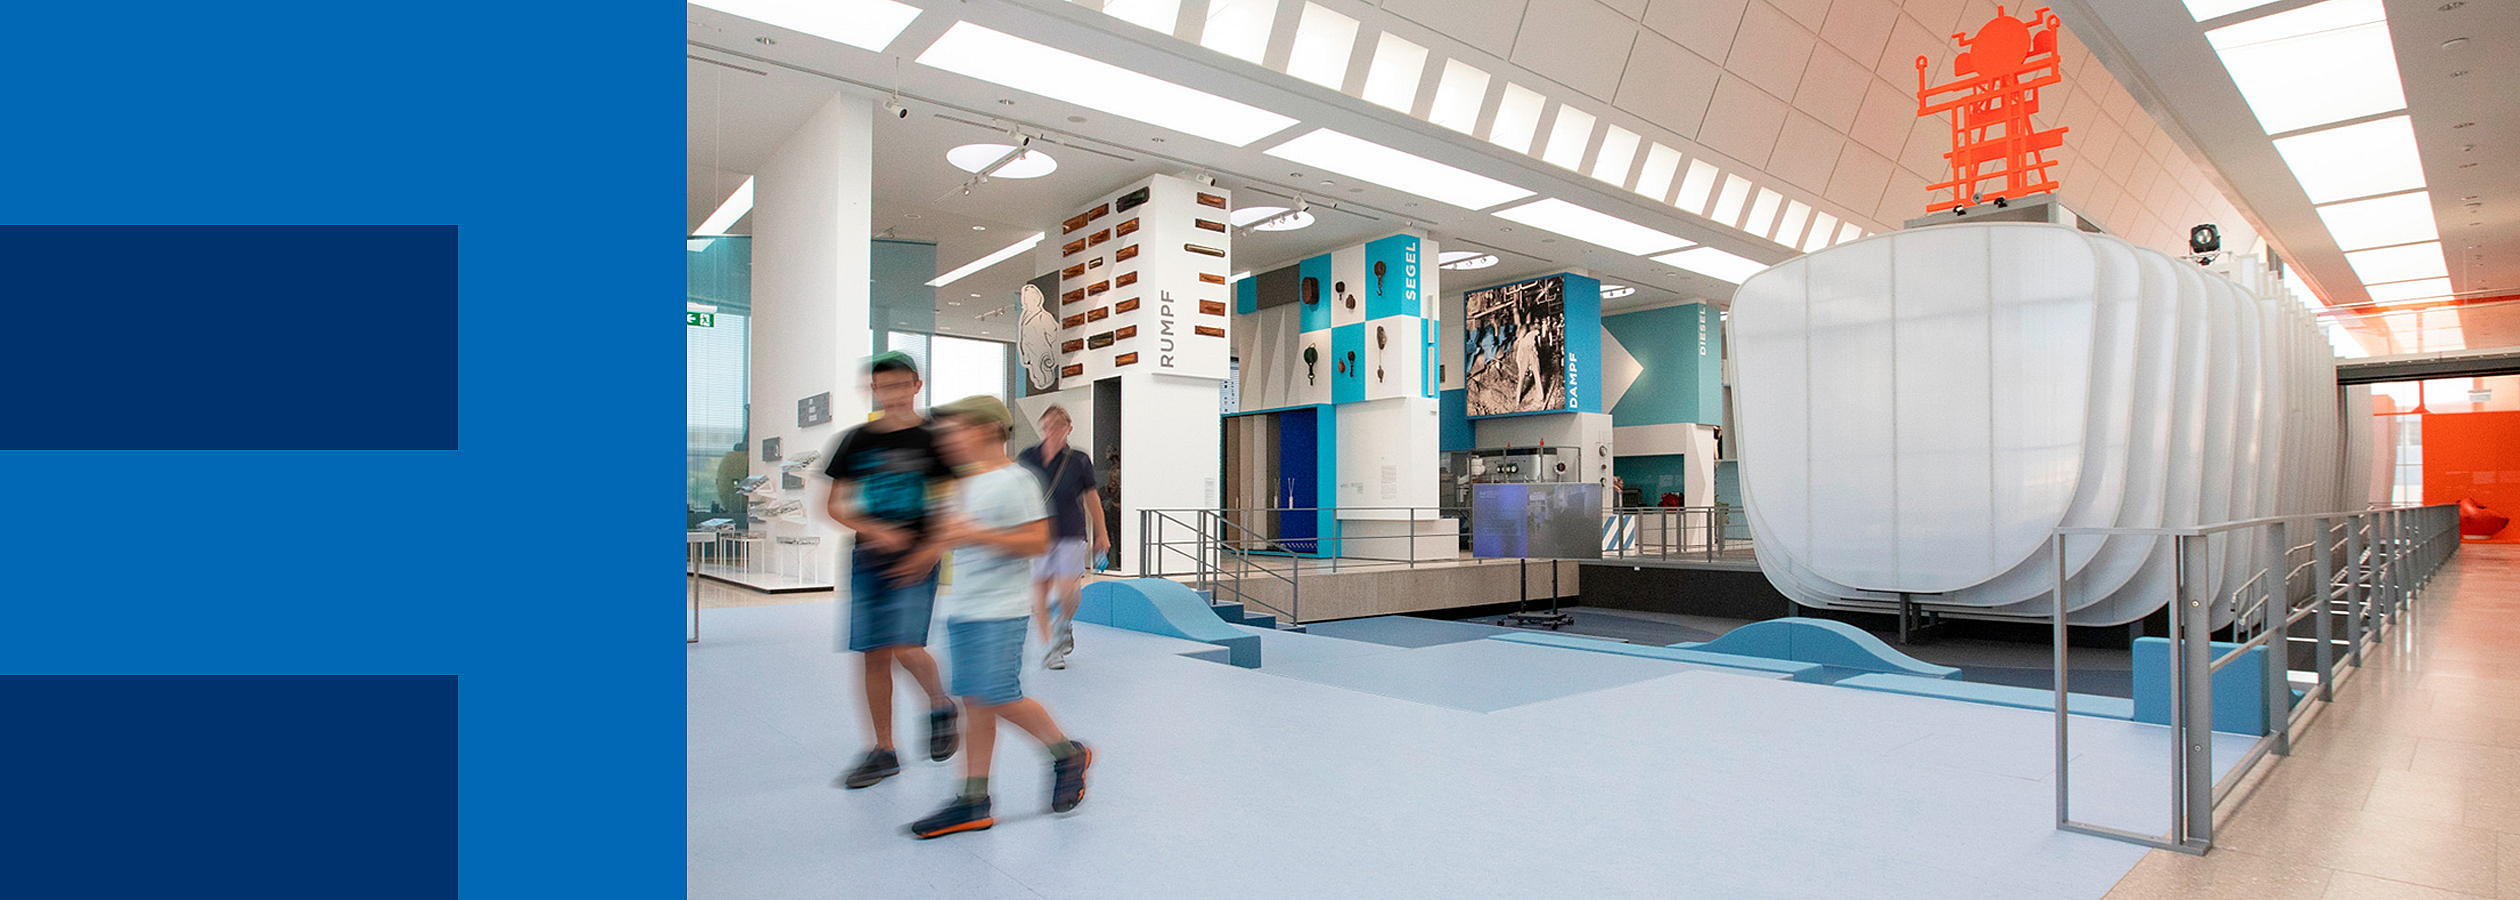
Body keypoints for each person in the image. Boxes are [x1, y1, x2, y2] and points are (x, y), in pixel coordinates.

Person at [904, 395, 1092, 839]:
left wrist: (974, 533)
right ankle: (973, 799)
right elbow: (946, 536)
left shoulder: (1016, 480)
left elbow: (1035, 541)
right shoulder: (961, 485)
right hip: (963, 608)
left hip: (1000, 612)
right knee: (976, 701)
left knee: (998, 696)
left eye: (956, 430)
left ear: (987, 430)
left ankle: (1066, 753)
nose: (947, 440)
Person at [822, 352, 959, 789]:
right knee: (872, 654)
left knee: (905, 645)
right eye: (885, 387)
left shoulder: (936, 440)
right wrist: (876, 531)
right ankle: (883, 750)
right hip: (869, 560)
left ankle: (941, 704)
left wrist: (929, 551)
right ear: (874, 391)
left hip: (919, 560)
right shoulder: (855, 441)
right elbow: (835, 505)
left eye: (903, 385)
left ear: (917, 385)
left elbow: (953, 507)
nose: (895, 394)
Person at [1016, 405, 1107, 670]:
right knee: (1040, 591)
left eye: (1057, 427)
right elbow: (1017, 492)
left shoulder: (1078, 460)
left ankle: (1064, 623)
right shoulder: (1027, 457)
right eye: (1047, 426)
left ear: (1068, 430)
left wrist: (1102, 533)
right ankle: (1051, 647)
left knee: (1068, 590)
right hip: (1037, 534)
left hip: (1070, 532)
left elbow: (1092, 497)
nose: (1051, 432)